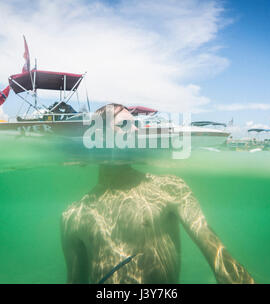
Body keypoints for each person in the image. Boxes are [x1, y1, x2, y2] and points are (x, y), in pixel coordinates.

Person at [61, 104, 255, 284]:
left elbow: (219, 258)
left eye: (136, 124)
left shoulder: (170, 188)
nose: (137, 130)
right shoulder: (74, 215)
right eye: (124, 124)